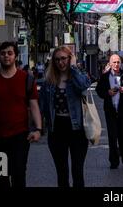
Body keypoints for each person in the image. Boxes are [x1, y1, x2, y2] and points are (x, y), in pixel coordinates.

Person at [0, 42, 42, 187]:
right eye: (3, 53)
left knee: (19, 176)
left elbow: (34, 106)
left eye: (10, 53)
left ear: (16, 56)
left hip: (20, 137)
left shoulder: (27, 79)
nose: (6, 56)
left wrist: (38, 129)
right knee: (2, 177)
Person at [39, 46, 92, 188]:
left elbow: (83, 85)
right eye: (57, 59)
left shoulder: (77, 76)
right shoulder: (49, 81)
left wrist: (73, 67)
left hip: (77, 130)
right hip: (57, 130)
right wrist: (38, 128)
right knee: (62, 174)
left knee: (77, 172)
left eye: (63, 58)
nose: (60, 62)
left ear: (70, 59)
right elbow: (42, 107)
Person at [96, 54, 123, 169]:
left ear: (121, 63)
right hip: (110, 110)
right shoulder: (105, 77)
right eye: (114, 62)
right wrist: (107, 93)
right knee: (112, 136)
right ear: (109, 63)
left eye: (118, 62)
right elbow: (99, 90)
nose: (116, 64)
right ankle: (113, 161)